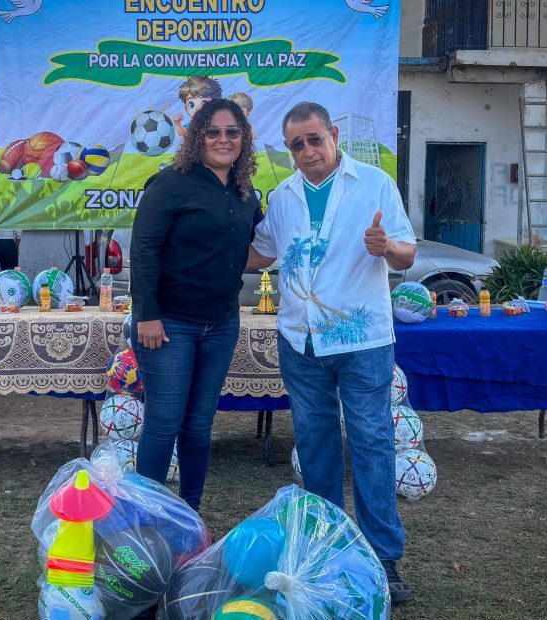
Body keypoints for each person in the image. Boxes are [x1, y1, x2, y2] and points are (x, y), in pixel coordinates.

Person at [247, 102, 417, 603]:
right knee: (315, 446)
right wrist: (201, 241)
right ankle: (323, 552)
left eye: (314, 139)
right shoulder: (282, 197)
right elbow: (259, 252)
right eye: (296, 144)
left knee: (371, 443)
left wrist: (386, 246)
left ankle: (383, 559)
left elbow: (407, 253)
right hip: (300, 342)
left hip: (362, 342)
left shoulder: (375, 184)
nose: (307, 151)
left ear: (334, 135)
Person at [131, 98, 262, 512]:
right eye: (213, 132)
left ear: (243, 138)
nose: (223, 139)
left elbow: (260, 247)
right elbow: (144, 250)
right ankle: (147, 518)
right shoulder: (170, 183)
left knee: (199, 425)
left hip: (221, 325)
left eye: (232, 132)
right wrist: (147, 315)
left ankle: (189, 513)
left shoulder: (244, 192)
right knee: (163, 422)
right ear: (197, 137)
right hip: (169, 324)